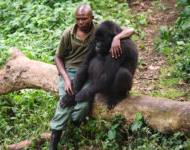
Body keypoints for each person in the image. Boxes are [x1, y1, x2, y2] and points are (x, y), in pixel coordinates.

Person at [49, 4, 135, 150]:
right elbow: (85, 64)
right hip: (76, 73)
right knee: (68, 100)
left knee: (120, 75)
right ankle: (54, 142)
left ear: (91, 19)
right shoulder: (86, 34)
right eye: (78, 19)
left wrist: (84, 93)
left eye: (84, 19)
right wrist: (73, 88)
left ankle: (117, 96)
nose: (97, 45)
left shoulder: (120, 46)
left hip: (118, 82)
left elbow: (108, 76)